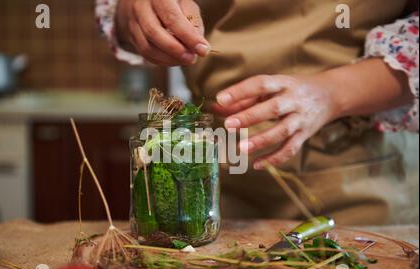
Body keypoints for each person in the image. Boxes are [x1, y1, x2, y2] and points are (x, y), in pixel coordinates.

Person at [95, 0, 419, 225]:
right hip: (218, 179)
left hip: (361, 183)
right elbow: (125, 13)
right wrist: (134, 13)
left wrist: (329, 94)